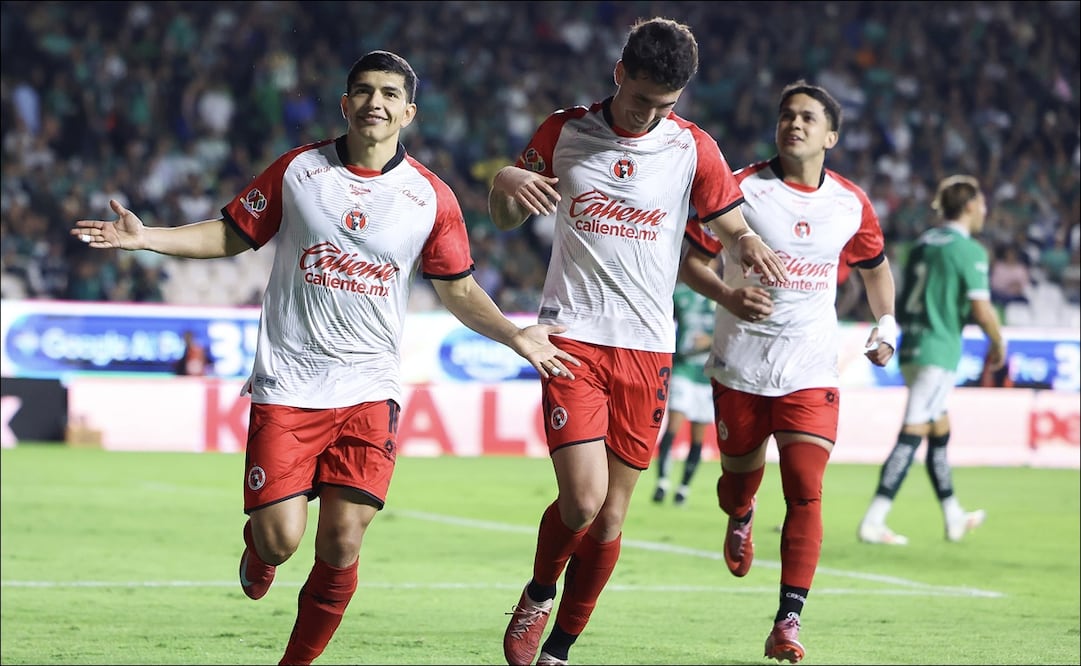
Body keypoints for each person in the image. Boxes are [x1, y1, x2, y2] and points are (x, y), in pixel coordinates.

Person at [71, 50, 579, 666]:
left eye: (389, 94)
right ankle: (260, 546)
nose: (375, 102)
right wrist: (147, 237)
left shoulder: (430, 197)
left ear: (409, 113)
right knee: (281, 540)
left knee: (341, 541)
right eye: (363, 91)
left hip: (370, 389)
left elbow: (459, 289)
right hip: (289, 383)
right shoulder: (299, 171)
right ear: (344, 104)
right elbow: (233, 232)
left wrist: (514, 335)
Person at [487, 17, 788, 666]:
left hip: (647, 347)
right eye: (640, 98)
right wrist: (505, 184)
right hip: (571, 338)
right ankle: (538, 593)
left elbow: (729, 224)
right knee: (582, 500)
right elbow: (507, 216)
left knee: (612, 518)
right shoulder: (564, 131)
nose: (649, 114)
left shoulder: (692, 148)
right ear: (618, 73)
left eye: (664, 104)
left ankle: (559, 649)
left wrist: (747, 242)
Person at [679, 79, 897, 664]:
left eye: (807, 117)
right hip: (741, 367)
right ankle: (741, 513)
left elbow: (876, 268)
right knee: (736, 485)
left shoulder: (849, 203)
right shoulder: (739, 189)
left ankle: (788, 620)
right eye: (786, 115)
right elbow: (692, 263)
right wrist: (728, 296)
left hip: (811, 369)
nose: (794, 124)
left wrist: (886, 325)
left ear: (831, 136)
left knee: (805, 491)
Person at [858, 174, 1004, 546]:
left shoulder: (923, 243)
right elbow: (982, 310)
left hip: (912, 346)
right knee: (913, 431)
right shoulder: (969, 250)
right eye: (981, 204)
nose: (984, 211)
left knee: (939, 429)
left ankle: (954, 515)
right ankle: (874, 519)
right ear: (969, 206)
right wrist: (998, 343)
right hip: (938, 351)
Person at [652, 259, 719, 506]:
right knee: (673, 424)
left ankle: (683, 488)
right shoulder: (680, 294)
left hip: (707, 374)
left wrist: (711, 342)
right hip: (683, 368)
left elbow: (736, 331)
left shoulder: (723, 295)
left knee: (698, 435)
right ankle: (662, 482)